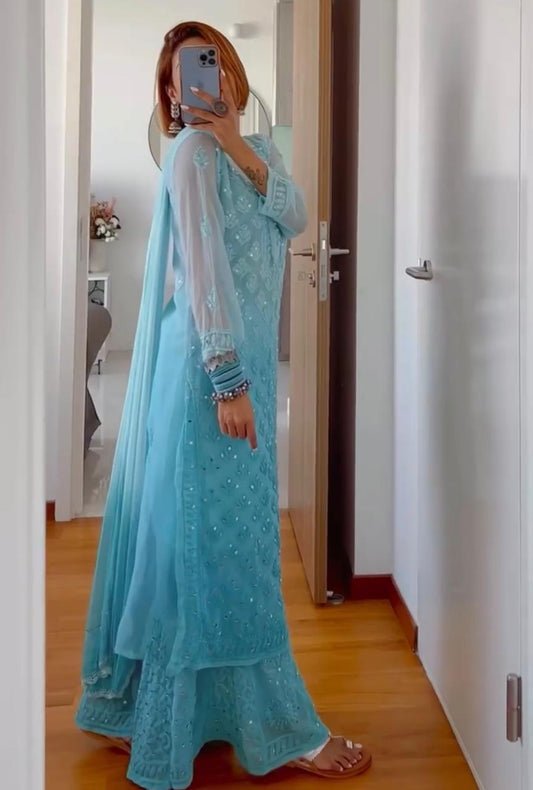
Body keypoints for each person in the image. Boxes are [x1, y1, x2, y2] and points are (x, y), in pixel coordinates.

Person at [75, 20, 372, 789]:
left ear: (231, 76)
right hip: (208, 378)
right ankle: (273, 726)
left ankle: (187, 715)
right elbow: (201, 269)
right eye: (185, 75)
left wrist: (239, 141)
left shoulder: (252, 152)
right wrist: (229, 382)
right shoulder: (188, 156)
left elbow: (295, 216)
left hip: (241, 376)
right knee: (215, 548)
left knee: (220, 545)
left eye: (211, 66)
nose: (202, 83)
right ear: (172, 95)